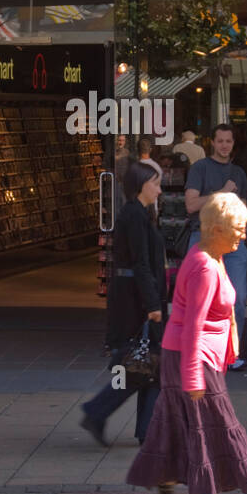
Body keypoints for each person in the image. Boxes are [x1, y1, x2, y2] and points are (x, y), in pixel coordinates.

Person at [127, 193, 247, 494]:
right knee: (211, 430)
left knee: (184, 426)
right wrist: (194, 378)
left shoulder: (207, 253)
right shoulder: (205, 265)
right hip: (195, 360)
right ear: (217, 228)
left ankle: (167, 477)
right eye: (238, 227)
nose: (244, 234)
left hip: (192, 357)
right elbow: (192, 326)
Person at [81, 163, 167, 448]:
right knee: (144, 363)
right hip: (136, 302)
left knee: (147, 364)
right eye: (155, 183)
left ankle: (142, 428)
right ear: (141, 185)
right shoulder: (135, 216)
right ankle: (102, 413)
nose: (159, 189)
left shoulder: (139, 215)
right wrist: (153, 304)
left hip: (136, 297)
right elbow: (141, 263)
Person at [184, 124, 247, 370]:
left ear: (234, 143)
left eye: (228, 141)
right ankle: (202, 353)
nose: (224, 145)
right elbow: (190, 205)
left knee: (238, 298)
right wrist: (222, 194)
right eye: (220, 141)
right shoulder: (199, 168)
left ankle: (231, 353)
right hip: (203, 240)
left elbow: (241, 209)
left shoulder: (239, 173)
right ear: (212, 142)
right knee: (203, 298)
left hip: (233, 243)